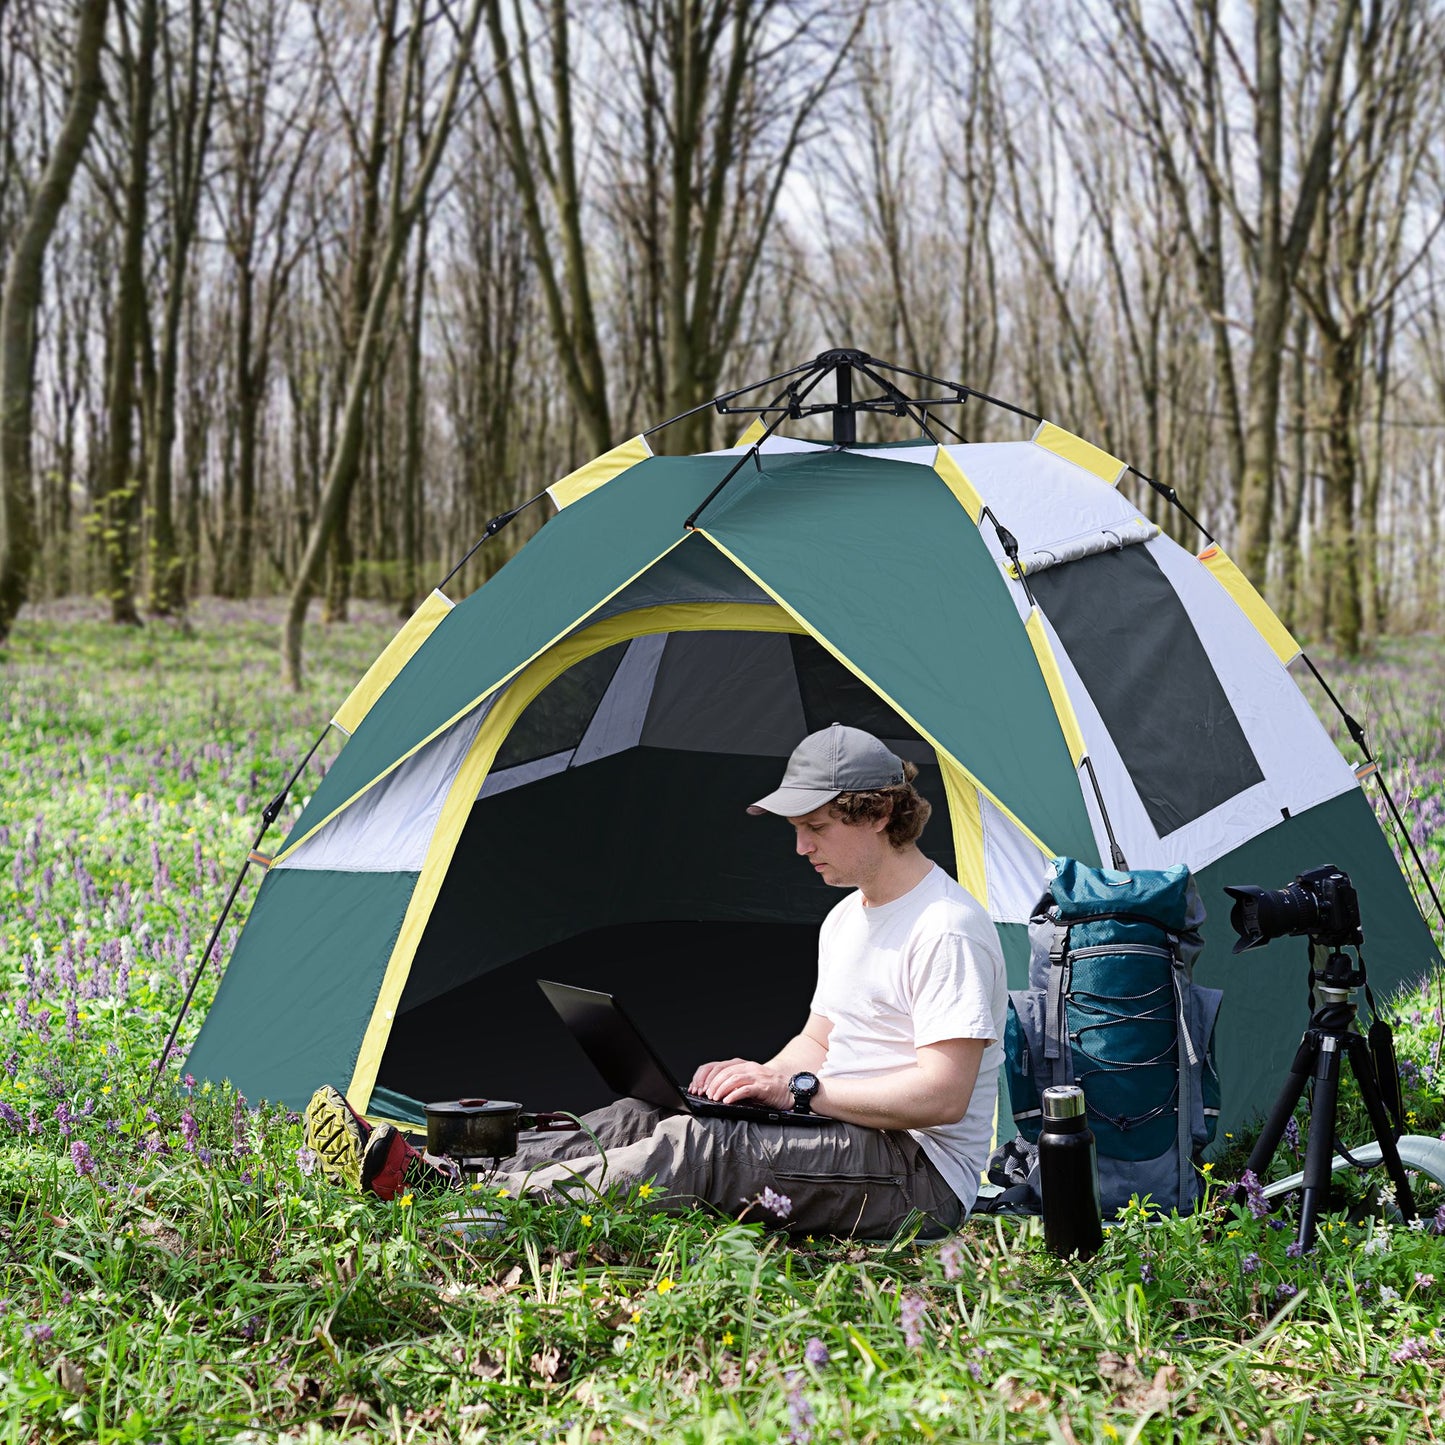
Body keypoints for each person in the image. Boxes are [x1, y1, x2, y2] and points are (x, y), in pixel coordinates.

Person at [306, 723, 1008, 1237]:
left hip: (917, 1175)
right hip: (840, 1124)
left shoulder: (944, 925)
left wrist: (796, 1092)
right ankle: (440, 1172)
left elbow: (941, 1095)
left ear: (880, 813)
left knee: (701, 1148)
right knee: (645, 1114)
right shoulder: (846, 918)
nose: (799, 847)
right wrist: (756, 1078)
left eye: (816, 827)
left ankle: (477, 1216)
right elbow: (818, 1040)